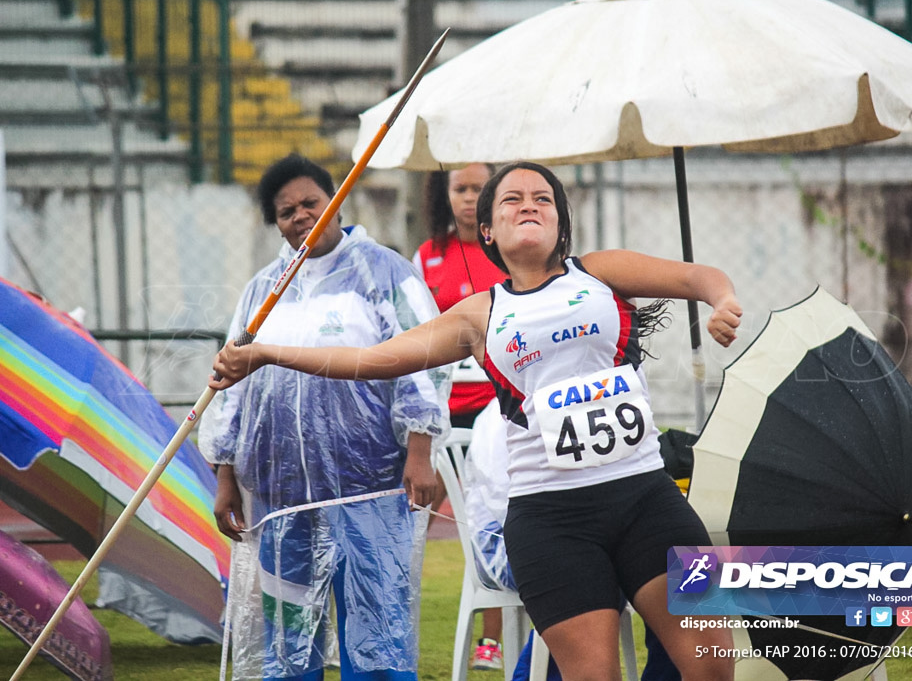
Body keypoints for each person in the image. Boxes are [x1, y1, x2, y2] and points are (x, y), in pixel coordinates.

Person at [210, 161, 742, 681]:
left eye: (542, 199)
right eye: (512, 199)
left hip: (645, 497)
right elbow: (370, 360)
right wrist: (266, 354)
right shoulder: (477, 315)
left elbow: (698, 276)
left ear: (560, 222)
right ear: (488, 230)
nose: (529, 205)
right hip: (553, 520)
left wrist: (722, 301)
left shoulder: (600, 272)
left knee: (714, 666)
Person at [198, 154, 450, 681]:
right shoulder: (261, 293)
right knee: (289, 648)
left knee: (376, 638)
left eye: (312, 202)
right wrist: (226, 479)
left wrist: (421, 451)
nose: (301, 216)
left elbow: (423, 360)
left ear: (335, 201)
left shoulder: (384, 273)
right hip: (279, 494)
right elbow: (230, 392)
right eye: (286, 211)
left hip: (370, 490)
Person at [412, 163, 510, 671]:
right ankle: (393, 618)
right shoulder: (427, 257)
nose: (470, 198)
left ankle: (491, 638)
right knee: (413, 517)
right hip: (441, 412)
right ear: (444, 195)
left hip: (499, 407)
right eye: (461, 189)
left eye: (479, 188)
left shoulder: (510, 248)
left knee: (492, 517)